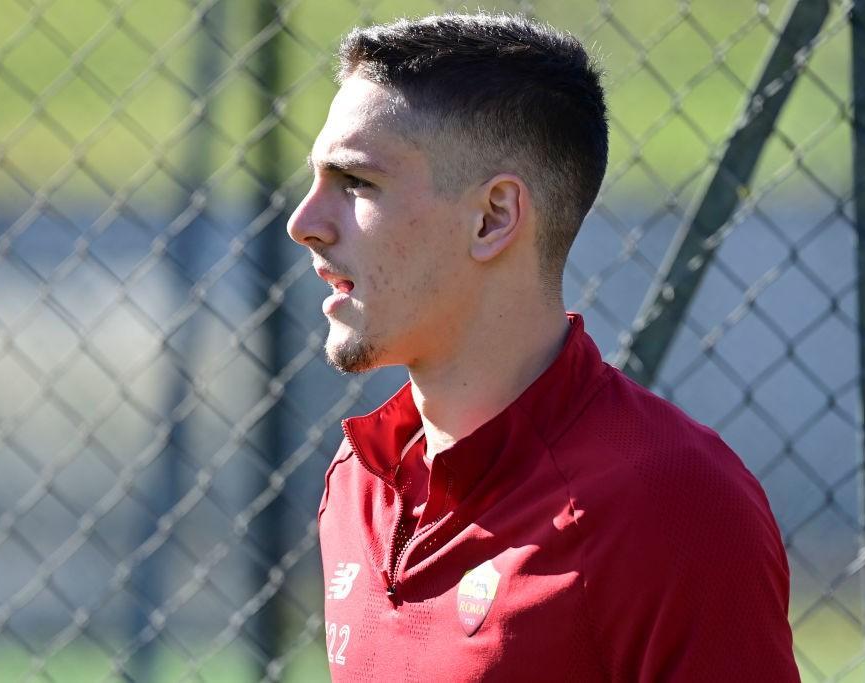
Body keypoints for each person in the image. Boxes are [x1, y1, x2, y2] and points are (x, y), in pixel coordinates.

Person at [286, 12, 799, 682]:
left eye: (356, 182)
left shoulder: (674, 505)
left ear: (494, 217)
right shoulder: (360, 479)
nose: (305, 223)